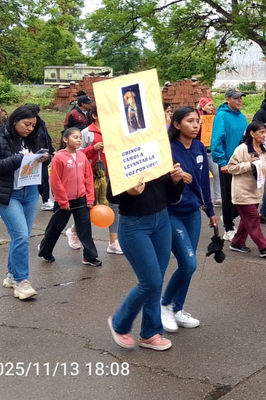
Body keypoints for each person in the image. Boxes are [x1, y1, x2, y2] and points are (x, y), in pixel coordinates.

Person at [107, 164, 185, 352]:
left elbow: (172, 196)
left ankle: (150, 333)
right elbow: (111, 195)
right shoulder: (124, 150)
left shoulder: (159, 150)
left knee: (157, 280)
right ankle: (120, 323)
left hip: (161, 220)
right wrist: (129, 192)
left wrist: (176, 181)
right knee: (150, 281)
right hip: (134, 225)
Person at [0, 105, 50, 300]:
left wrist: (44, 158)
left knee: (21, 236)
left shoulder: (33, 139)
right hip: (7, 194)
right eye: (27, 124)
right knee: (20, 235)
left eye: (33, 125)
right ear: (15, 121)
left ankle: (11, 275)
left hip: (29, 193)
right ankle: (22, 282)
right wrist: (18, 159)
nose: (30, 128)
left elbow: (42, 156)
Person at [161, 107, 218, 332]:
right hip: (171, 213)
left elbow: (203, 182)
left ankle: (178, 308)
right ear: (176, 125)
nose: (196, 126)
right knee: (188, 262)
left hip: (193, 213)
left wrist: (210, 211)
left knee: (189, 265)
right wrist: (174, 179)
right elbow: (161, 185)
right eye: (190, 121)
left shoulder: (198, 147)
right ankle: (164, 305)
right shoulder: (167, 150)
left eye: (198, 121)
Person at [38, 127, 100, 266]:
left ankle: (89, 256)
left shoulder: (82, 156)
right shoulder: (59, 157)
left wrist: (90, 198)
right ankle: (45, 251)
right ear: (65, 140)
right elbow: (55, 181)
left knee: (85, 228)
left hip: (81, 199)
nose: (79, 140)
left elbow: (88, 178)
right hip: (64, 201)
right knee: (55, 228)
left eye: (80, 138)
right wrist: (62, 200)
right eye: (75, 137)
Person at [226, 120, 266, 257]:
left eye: (265, 132)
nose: (264, 135)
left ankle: (237, 242)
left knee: (246, 220)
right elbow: (231, 167)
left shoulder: (265, 152)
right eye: (261, 132)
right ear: (252, 134)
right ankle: (263, 247)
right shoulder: (242, 149)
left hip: (256, 192)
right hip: (242, 192)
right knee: (253, 218)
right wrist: (248, 165)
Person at [80, 104, 122, 255]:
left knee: (114, 207)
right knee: (89, 207)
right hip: (93, 176)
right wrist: (93, 148)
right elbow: (78, 154)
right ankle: (74, 231)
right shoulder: (87, 133)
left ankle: (113, 242)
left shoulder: (114, 132)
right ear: (95, 116)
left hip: (111, 174)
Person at [211, 88, 248, 240]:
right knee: (228, 197)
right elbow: (217, 140)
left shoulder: (242, 117)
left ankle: (229, 217)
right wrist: (222, 162)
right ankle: (228, 228)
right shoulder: (221, 116)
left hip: (242, 162)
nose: (240, 100)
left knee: (240, 195)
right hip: (227, 163)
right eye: (236, 98)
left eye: (241, 97)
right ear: (228, 99)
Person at [22, 104, 55, 212]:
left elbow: (46, 137)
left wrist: (50, 149)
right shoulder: (22, 127)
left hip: (41, 155)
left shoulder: (40, 124)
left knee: (44, 178)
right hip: (29, 157)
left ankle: (46, 200)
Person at [196, 97, 222, 207]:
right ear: (202, 106)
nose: (212, 107)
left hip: (211, 150)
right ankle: (201, 198)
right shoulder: (197, 118)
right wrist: (199, 125)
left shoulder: (215, 117)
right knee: (201, 176)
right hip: (199, 151)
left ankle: (218, 197)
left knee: (217, 173)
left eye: (212, 105)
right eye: (209, 105)